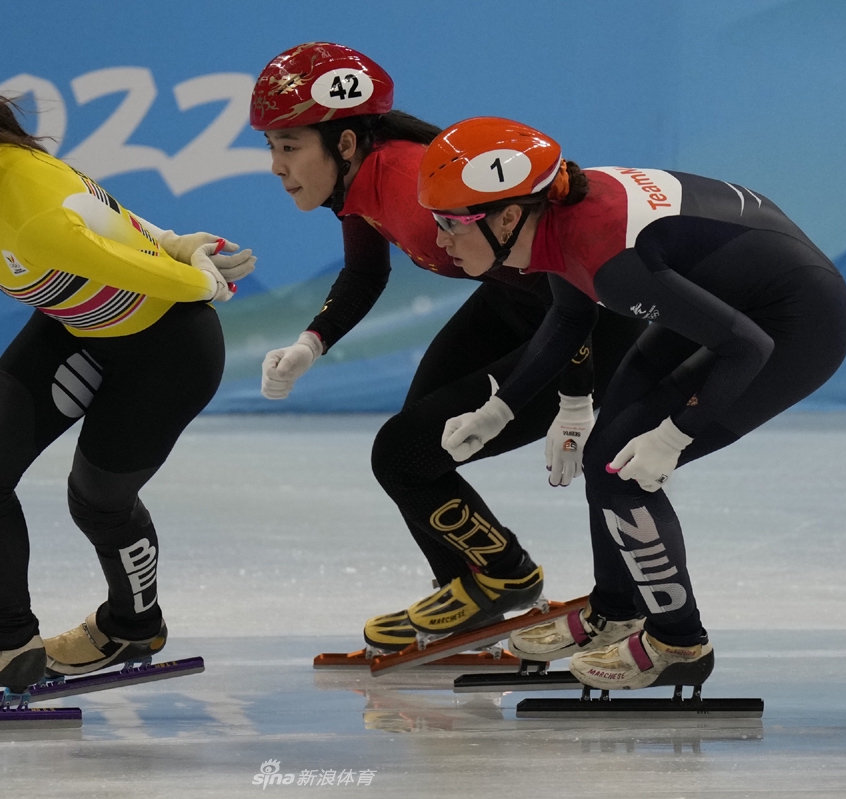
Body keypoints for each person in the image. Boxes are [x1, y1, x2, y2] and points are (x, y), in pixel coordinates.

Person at [0, 54, 254, 700]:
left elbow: (127, 263)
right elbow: (104, 215)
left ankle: (134, 625)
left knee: (97, 500)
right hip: (79, 326)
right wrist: (174, 238)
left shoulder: (23, 204)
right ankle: (10, 640)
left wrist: (195, 274)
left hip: (167, 352)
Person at [420, 116, 846, 689]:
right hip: (729, 295)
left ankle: (680, 642)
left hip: (796, 326)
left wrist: (674, 436)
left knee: (623, 473)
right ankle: (616, 610)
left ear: (506, 217)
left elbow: (747, 347)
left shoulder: (608, 258)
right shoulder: (554, 219)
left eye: (451, 223)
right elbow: (569, 315)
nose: (440, 240)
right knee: (608, 453)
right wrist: (499, 410)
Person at [250, 43, 646, 653]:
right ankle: (467, 589)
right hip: (523, 301)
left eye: (289, 146)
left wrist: (575, 397)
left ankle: (505, 576)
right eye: (272, 147)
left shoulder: (410, 188)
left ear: (345, 143)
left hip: (589, 322)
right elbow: (364, 273)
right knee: (413, 447)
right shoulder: (361, 178)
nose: (276, 167)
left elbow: (571, 293)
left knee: (403, 453)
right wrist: (311, 343)